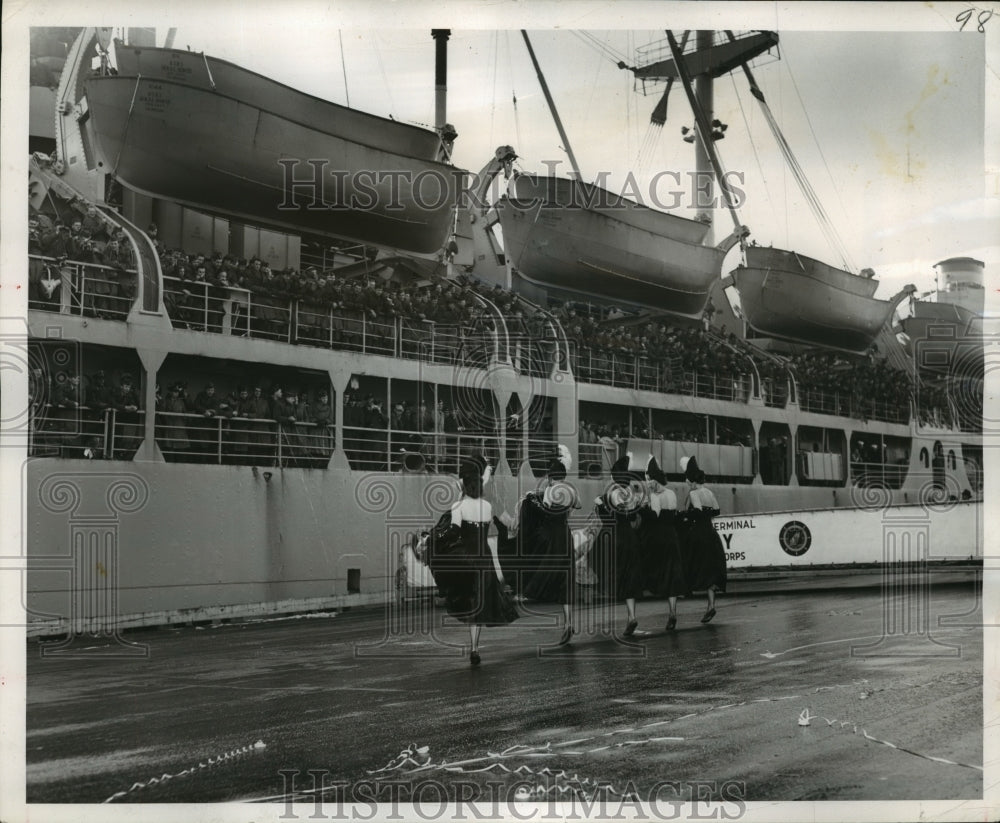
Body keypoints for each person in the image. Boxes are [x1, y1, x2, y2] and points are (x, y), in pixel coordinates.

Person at [424, 454, 518, 665]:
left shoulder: (459, 505)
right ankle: (475, 646)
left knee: (469, 599)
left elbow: (452, 531)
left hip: (465, 557)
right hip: (484, 557)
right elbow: (508, 523)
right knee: (481, 601)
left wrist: (434, 538)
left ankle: (474, 647)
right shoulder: (489, 505)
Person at [518, 444, 580, 645]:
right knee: (566, 578)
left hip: (551, 537)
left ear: (551, 478)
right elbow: (577, 505)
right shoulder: (571, 489)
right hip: (565, 535)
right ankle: (568, 621)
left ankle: (529, 589)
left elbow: (545, 511)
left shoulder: (551, 490)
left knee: (541, 565)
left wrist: (531, 500)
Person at [590, 454, 645, 637]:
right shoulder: (631, 493)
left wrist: (601, 505)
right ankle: (631, 616)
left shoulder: (612, 492)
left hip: (614, 538)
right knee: (629, 576)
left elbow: (611, 517)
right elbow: (631, 517)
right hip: (630, 537)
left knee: (597, 561)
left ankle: (603, 609)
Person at [640, 456, 688, 630]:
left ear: (654, 479)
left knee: (657, 571)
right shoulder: (671, 493)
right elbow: (672, 516)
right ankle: (672, 612)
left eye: (648, 480)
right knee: (672, 575)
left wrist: (641, 509)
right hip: (672, 536)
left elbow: (655, 516)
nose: (647, 484)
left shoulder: (654, 496)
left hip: (658, 539)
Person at [677, 456, 727, 623]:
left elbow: (697, 512)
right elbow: (716, 511)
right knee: (711, 570)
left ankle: (682, 591)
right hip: (711, 534)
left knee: (689, 561)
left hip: (698, 534)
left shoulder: (693, 493)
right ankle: (711, 605)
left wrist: (685, 515)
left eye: (687, 480)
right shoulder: (709, 492)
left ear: (691, 481)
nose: (686, 483)